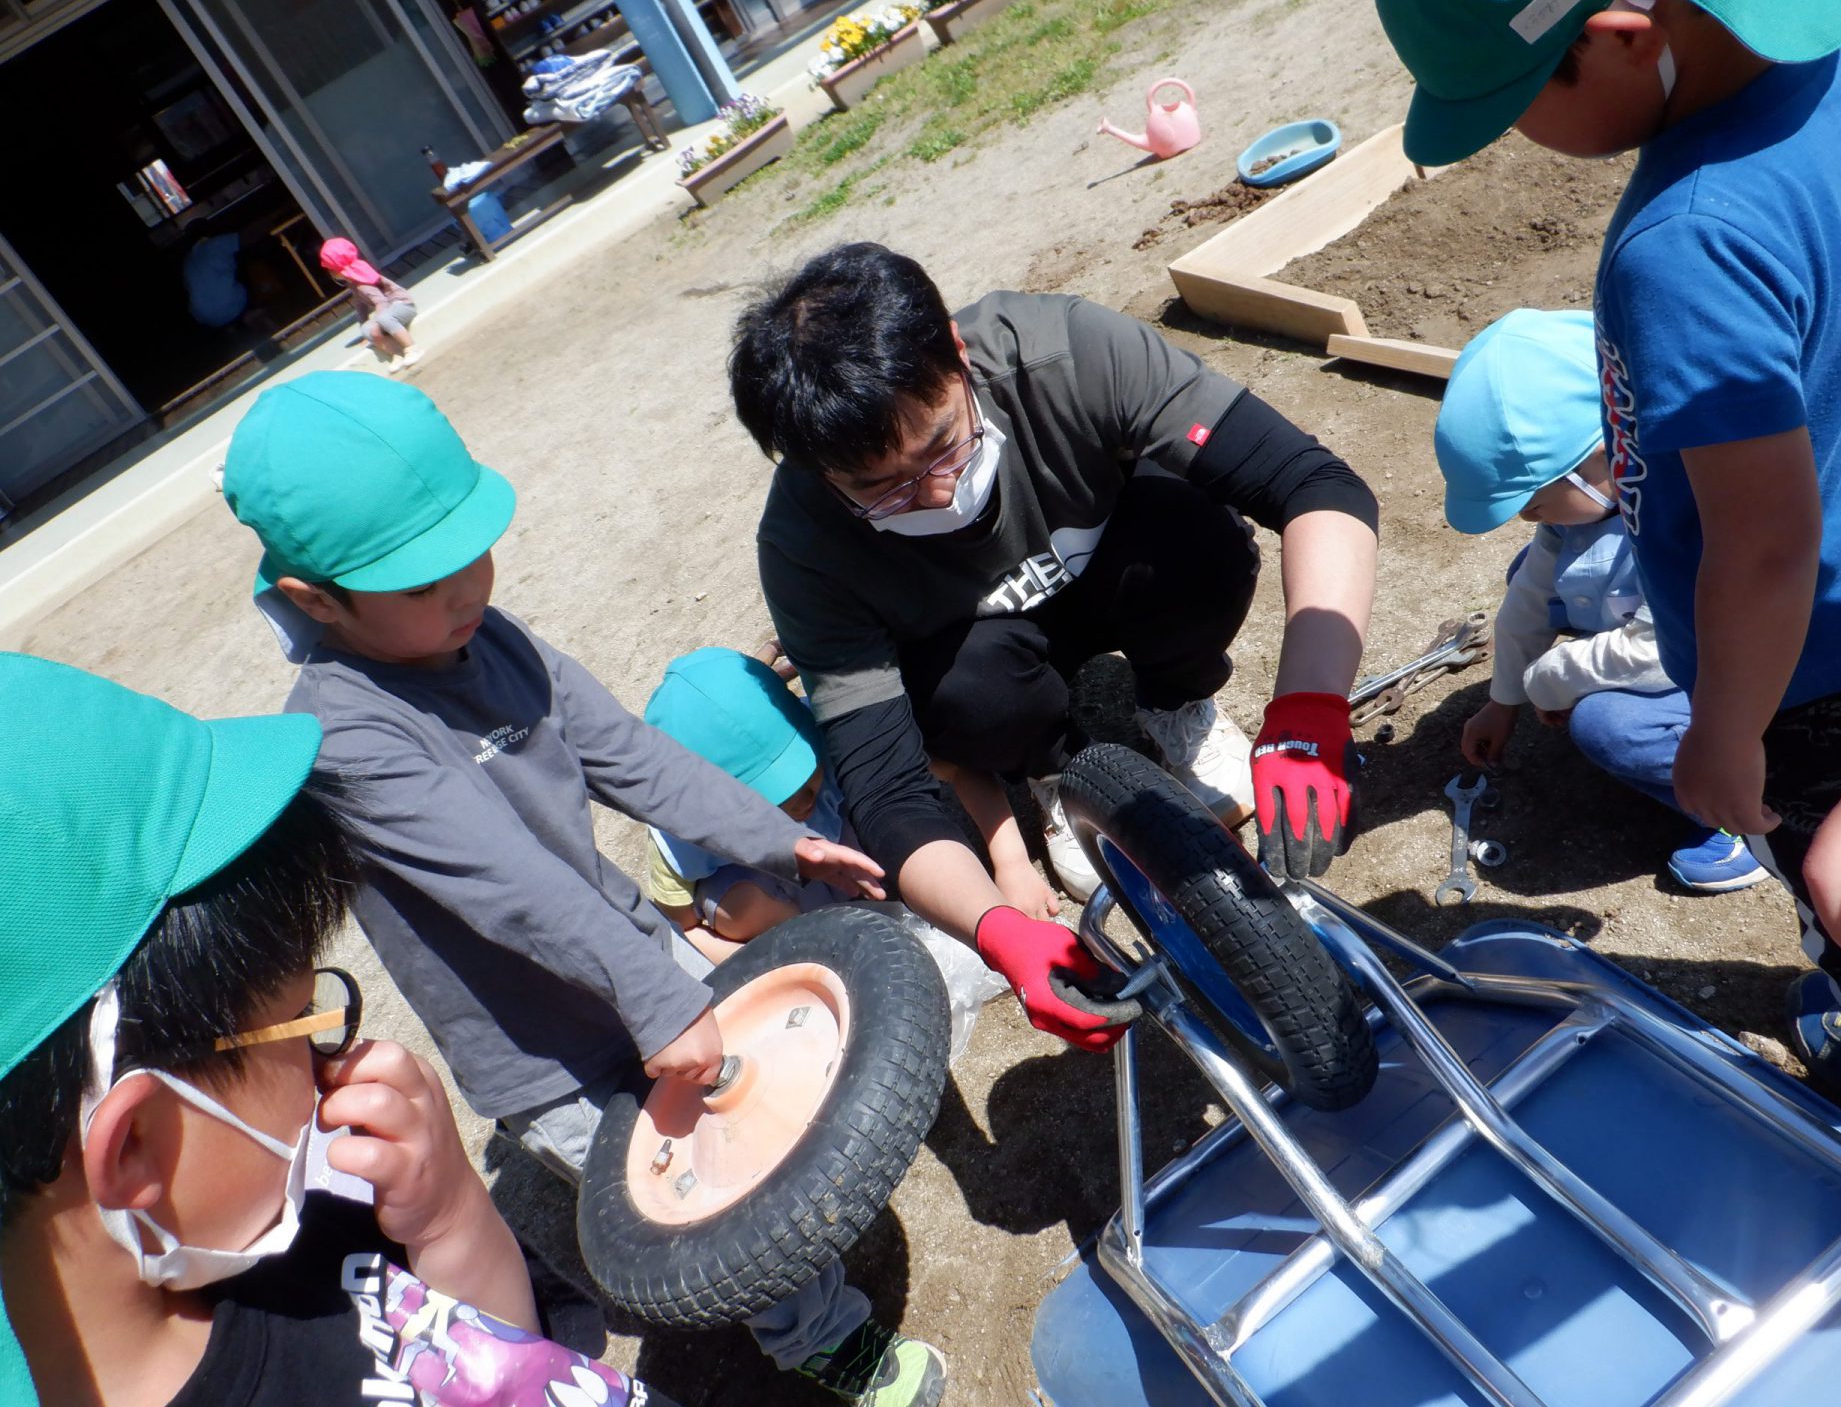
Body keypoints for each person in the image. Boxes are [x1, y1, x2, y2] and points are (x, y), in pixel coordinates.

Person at [220, 371, 944, 1407]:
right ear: (314, 600)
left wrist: (782, 843)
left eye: (471, 555)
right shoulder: (346, 737)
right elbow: (511, 891)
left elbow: (634, 758)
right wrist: (657, 998)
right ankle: (817, 1336)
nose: (466, 592)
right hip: (539, 1049)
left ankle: (796, 1268)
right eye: (422, 586)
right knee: (700, 1191)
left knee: (745, 1135)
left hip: (631, 952)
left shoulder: (492, 637)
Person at [1369, 0, 1841, 1124]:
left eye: (1521, 96)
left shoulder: (1681, 243)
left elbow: (1763, 544)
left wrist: (1722, 732)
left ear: (1623, 34)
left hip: (1818, 677)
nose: (1520, 132)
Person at [734, 244, 1379, 1052]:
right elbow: (886, 788)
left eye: (943, 445)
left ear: (956, 353)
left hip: (1125, 566)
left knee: (1201, 537)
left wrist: (1310, 707)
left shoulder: (1063, 352)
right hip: (983, 657)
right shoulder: (804, 545)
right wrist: (997, 928)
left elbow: (1315, 486)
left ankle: (1178, 701)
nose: (936, 492)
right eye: (883, 489)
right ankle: (1053, 772)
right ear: (814, 467)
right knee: (960, 701)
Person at [0, 652, 652, 1407]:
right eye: (303, 1029)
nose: (328, 1066)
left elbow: (518, 1378)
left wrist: (450, 1227)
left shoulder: (293, 1222)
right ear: (135, 1145)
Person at [1439, 309, 1765, 893]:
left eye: (1534, 504)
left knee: (1606, 725)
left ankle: (1746, 804)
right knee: (1533, 572)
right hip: (1672, 630)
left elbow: (1662, 647)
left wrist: (1551, 677)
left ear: (1604, 456)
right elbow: (1530, 595)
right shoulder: (1600, 496)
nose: (1527, 519)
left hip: (1744, 664)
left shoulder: (1684, 514)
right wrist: (1504, 700)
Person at [643, 645, 1056, 963]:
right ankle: (812, 943)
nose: (803, 804)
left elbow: (961, 769)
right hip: (773, 889)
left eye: (806, 776)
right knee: (739, 906)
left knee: (893, 822)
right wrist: (763, 966)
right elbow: (684, 928)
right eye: (774, 801)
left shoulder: (839, 739)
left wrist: (1012, 863)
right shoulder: (681, 831)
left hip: (841, 855)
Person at [318, 237, 422, 373]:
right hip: (388, 312)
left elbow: (381, 302)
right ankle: (396, 353)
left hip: (403, 306)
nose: (331, 274)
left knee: (382, 319)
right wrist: (364, 329)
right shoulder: (353, 283)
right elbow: (360, 306)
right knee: (367, 329)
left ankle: (411, 348)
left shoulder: (362, 283)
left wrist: (377, 325)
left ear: (339, 270)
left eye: (331, 270)